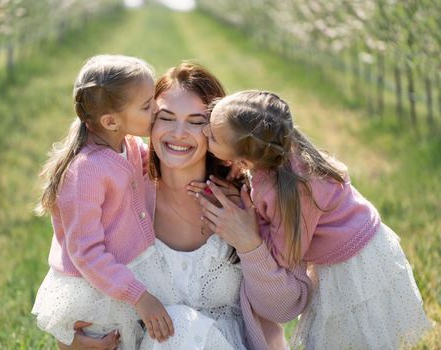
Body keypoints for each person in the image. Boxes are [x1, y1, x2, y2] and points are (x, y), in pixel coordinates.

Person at [67, 64, 309, 350]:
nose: (179, 133)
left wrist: (250, 245)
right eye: (166, 117)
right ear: (147, 121)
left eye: (196, 121)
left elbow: (284, 309)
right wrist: (69, 339)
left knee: (179, 327)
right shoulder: (120, 192)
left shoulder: (251, 199)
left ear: (219, 130)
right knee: (175, 328)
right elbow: (77, 256)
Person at [199, 90, 432, 349]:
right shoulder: (281, 150)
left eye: (214, 137)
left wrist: (251, 223)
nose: (205, 131)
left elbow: (284, 255)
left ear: (244, 158)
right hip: (362, 237)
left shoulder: (285, 192)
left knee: (351, 337)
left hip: (351, 261)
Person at [31, 54, 175, 349]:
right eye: (147, 106)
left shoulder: (131, 146)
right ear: (110, 121)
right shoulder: (86, 172)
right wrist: (140, 297)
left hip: (123, 275)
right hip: (96, 289)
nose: (156, 110)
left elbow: (159, 172)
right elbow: (86, 252)